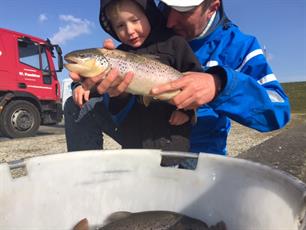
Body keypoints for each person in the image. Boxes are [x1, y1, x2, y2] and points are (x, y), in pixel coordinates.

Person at [66, 0, 290, 156]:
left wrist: (219, 84)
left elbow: (278, 110)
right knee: (76, 106)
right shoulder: (147, 31)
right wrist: (111, 92)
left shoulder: (240, 46)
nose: (170, 20)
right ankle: (85, 180)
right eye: (166, 6)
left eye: (183, 11)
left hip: (197, 149)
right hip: (142, 136)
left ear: (212, 7)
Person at [64, 0, 202, 152]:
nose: (130, 30)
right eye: (120, 26)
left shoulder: (174, 43)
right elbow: (113, 106)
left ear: (149, 15)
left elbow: (197, 83)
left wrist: (187, 111)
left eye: (135, 20)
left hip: (172, 140)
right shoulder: (116, 55)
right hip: (134, 142)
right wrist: (83, 87)